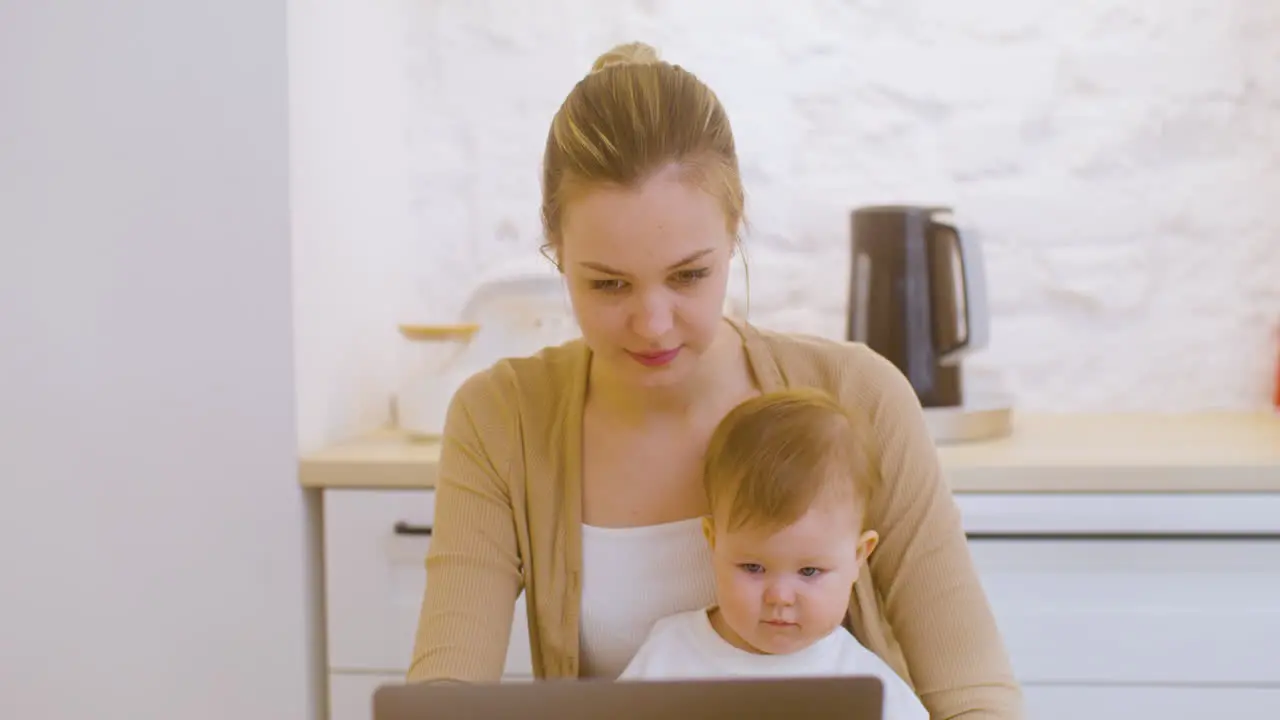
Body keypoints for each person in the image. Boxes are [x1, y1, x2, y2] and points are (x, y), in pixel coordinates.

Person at [407, 40, 1024, 718]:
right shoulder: (503, 420)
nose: (653, 324)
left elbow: (976, 696)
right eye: (608, 284)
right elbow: (444, 698)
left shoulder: (861, 400)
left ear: (733, 233)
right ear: (557, 254)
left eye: (688, 276)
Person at [617, 388, 929, 720]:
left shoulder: (868, 687)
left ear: (858, 558)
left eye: (809, 572)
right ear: (713, 541)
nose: (779, 597)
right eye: (753, 567)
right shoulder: (670, 654)